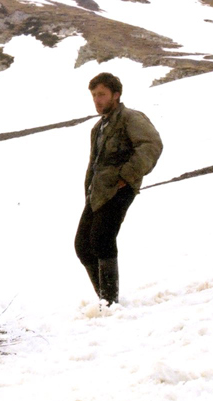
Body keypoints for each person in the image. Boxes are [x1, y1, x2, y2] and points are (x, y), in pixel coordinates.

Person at [75, 72, 163, 305]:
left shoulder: (130, 117)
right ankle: (106, 299)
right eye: (94, 95)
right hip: (98, 192)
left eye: (102, 94)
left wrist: (128, 175)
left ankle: (109, 302)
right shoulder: (98, 127)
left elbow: (152, 145)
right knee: (83, 246)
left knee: (102, 239)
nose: (97, 100)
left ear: (116, 94)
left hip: (119, 188)